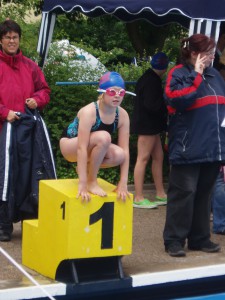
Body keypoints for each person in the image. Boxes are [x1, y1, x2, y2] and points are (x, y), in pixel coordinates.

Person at [163, 33, 225, 257]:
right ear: (193, 53)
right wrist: (196, 76)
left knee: (204, 194)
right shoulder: (178, 74)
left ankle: (200, 238)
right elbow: (177, 99)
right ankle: (174, 240)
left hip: (212, 146)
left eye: (212, 53)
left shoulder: (216, 76)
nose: (212, 56)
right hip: (188, 147)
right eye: (207, 52)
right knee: (183, 193)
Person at [0, 20, 54, 242]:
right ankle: (3, 225)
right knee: (5, 177)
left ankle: (29, 221)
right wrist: (5, 113)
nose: (12, 41)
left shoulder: (31, 66)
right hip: (4, 131)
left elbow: (45, 90)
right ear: (1, 40)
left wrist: (37, 100)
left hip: (28, 134)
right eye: (8, 37)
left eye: (15, 37)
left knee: (28, 174)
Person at [60, 71, 133, 202]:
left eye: (121, 92)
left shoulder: (122, 115)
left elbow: (126, 150)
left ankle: (86, 169)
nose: (117, 96)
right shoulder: (90, 111)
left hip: (92, 145)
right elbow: (81, 148)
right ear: (102, 92)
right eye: (112, 92)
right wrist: (82, 184)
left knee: (119, 155)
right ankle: (91, 181)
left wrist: (123, 182)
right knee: (104, 137)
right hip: (69, 144)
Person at [131, 52, 169, 209]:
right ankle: (138, 197)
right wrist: (166, 104)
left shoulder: (148, 78)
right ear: (165, 68)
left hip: (150, 125)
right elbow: (151, 105)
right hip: (148, 126)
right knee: (143, 158)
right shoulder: (152, 81)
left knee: (158, 157)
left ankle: (161, 193)